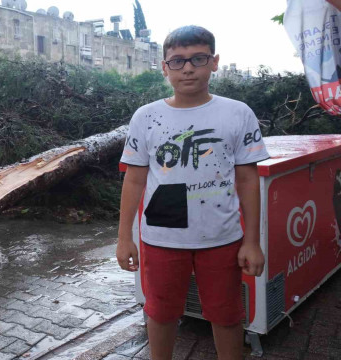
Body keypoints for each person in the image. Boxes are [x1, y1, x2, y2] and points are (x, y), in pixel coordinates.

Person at [116, 25, 269, 360]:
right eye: (177, 61)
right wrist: (124, 237)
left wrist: (252, 241)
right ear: (164, 67)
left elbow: (247, 179)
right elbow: (135, 180)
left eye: (198, 58)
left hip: (222, 236)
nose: (188, 68)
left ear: (214, 62)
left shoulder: (237, 113)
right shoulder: (147, 116)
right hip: (160, 237)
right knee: (160, 313)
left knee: (227, 315)